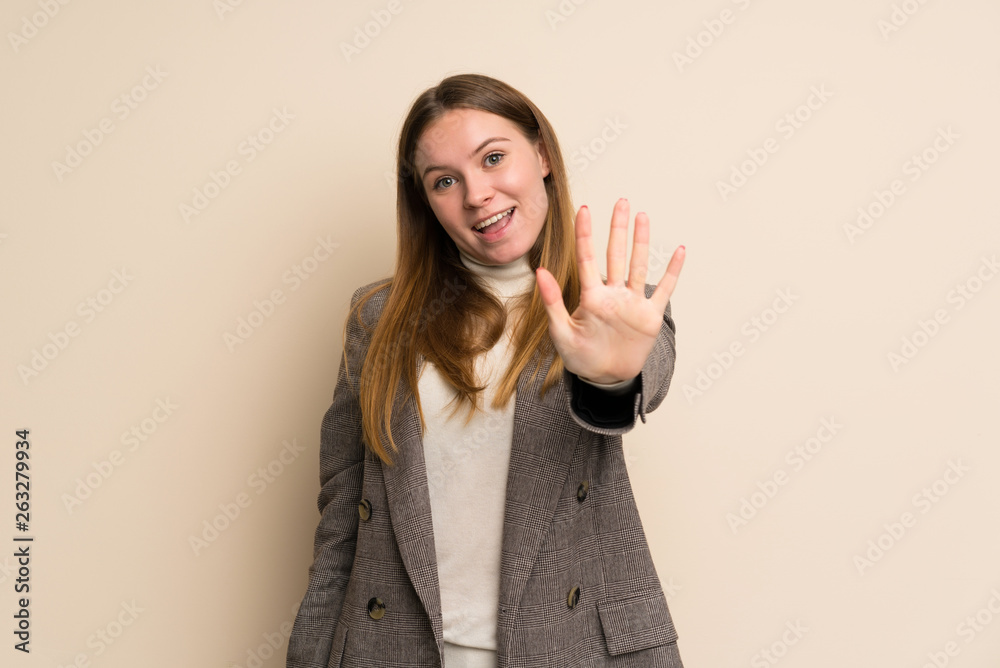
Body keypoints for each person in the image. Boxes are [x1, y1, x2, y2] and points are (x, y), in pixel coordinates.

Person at [286, 73, 686, 668]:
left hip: (573, 649)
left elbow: (632, 387)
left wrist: (608, 378)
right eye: (445, 181)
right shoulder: (377, 320)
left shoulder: (614, 310)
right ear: (426, 202)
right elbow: (343, 512)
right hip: (397, 649)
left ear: (542, 155)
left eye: (494, 158)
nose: (477, 194)